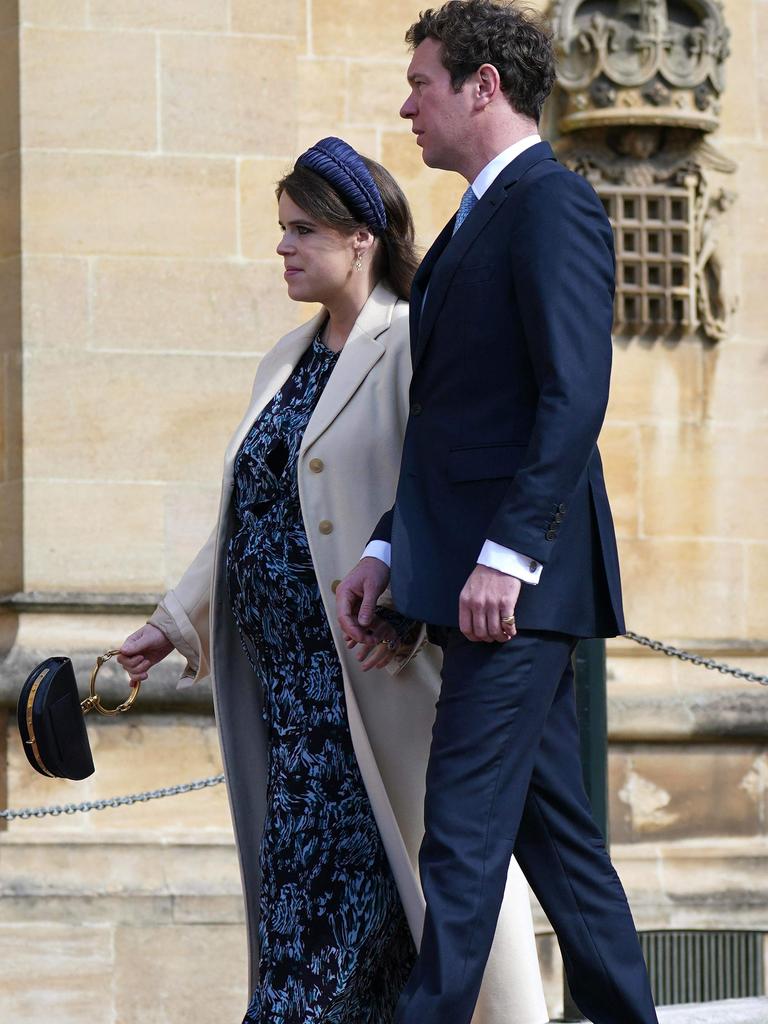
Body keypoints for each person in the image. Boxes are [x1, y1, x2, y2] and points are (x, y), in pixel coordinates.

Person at [117, 137, 549, 1024]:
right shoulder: (283, 359)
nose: (281, 248)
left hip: (372, 680)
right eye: (280, 229)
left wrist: (410, 602)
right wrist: (173, 623)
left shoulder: (412, 342)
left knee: (342, 936)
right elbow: (250, 516)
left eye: (300, 230)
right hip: (285, 700)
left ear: (361, 239)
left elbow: (446, 494)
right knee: (330, 927)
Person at [336, 4, 660, 1024]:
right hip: (481, 579)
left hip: (516, 588)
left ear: (483, 85)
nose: (407, 105)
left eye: (422, 83)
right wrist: (390, 547)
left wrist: (507, 556)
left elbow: (574, 395)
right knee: (561, 850)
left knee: (462, 839)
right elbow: (453, 428)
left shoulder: (551, 203)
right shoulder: (477, 215)